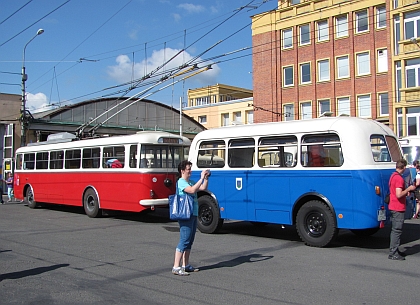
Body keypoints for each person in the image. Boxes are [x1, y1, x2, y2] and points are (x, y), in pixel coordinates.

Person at [172, 160, 209, 276]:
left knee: (190, 240)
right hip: (185, 215)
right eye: (188, 169)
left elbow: (202, 188)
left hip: (193, 213)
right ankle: (176, 266)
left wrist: (206, 178)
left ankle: (186, 265)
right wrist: (201, 178)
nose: (190, 171)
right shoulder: (181, 182)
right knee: (184, 240)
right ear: (182, 171)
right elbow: (192, 190)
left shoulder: (191, 181)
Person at [388, 159, 416, 261]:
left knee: (395, 230)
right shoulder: (399, 179)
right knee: (397, 230)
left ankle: (394, 250)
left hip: (392, 205)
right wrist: (408, 189)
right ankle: (393, 252)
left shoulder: (392, 176)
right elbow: (399, 194)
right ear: (403, 167)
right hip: (398, 207)